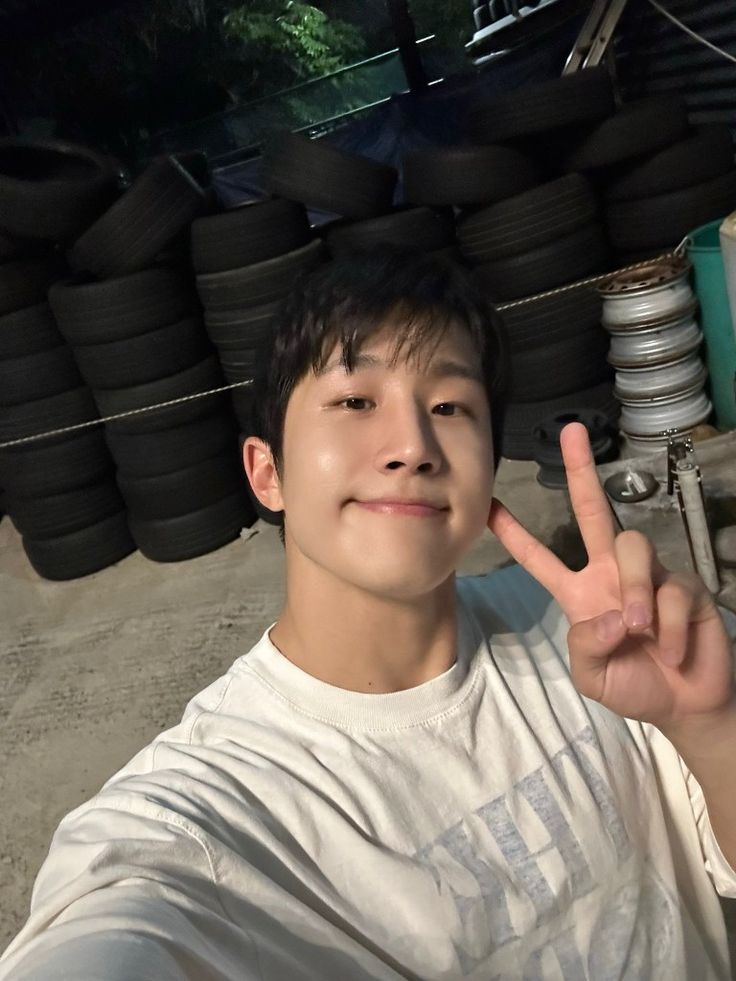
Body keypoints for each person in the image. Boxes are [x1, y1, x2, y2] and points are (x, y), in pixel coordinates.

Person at [1, 248, 734, 980]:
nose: (413, 445)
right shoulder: (203, 819)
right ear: (267, 472)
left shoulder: (600, 639)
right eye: (356, 401)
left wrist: (710, 723)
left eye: (450, 407)